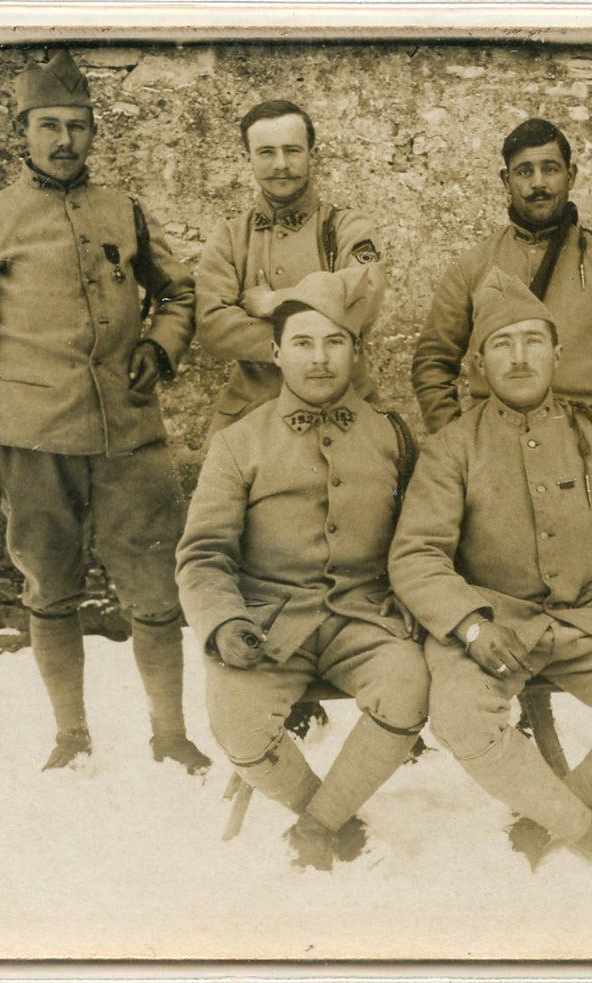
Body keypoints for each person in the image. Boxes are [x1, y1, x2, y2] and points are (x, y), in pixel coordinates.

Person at [0, 50, 211, 774]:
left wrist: (161, 344)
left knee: (153, 591)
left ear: (92, 132)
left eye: (77, 126)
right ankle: (71, 734)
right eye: (48, 125)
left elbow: (178, 293)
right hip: (32, 441)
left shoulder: (125, 210)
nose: (64, 141)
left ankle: (170, 732)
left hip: (130, 437)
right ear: (20, 130)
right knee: (49, 588)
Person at [390, 269, 592, 877]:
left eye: (532, 340)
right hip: (495, 627)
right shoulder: (452, 447)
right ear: (479, 364)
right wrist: (468, 626)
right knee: (462, 720)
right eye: (501, 344)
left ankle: (551, 816)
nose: (519, 357)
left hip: (590, 620)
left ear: (557, 351)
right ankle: (588, 831)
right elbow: (416, 555)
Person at [176, 267, 428, 871]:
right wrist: (223, 623)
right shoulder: (239, 441)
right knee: (234, 721)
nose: (320, 359)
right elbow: (202, 553)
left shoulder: (391, 435)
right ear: (275, 353)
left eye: (335, 342)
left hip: (365, 618)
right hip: (267, 623)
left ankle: (316, 828)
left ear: (355, 350)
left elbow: (425, 539)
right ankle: (330, 814)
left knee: (408, 686)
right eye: (303, 343)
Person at [412, 117, 592, 435]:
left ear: (570, 175)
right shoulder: (472, 266)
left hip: (586, 442)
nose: (538, 184)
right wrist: (457, 441)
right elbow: (433, 362)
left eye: (550, 169)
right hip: (496, 444)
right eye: (524, 172)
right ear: (506, 180)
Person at [195, 100, 386, 434]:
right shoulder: (230, 236)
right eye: (266, 152)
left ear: (312, 154)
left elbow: (362, 297)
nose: (281, 164)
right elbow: (214, 326)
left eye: (292, 150)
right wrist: (319, 330)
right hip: (252, 414)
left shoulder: (347, 227)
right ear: (248, 158)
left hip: (343, 412)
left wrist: (276, 301)